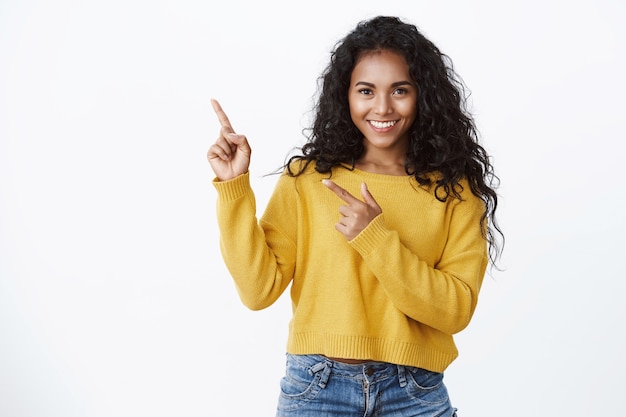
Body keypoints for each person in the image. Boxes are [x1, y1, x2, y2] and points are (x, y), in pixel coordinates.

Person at [207, 15, 502, 417]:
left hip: (414, 393)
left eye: (400, 90)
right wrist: (234, 188)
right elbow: (258, 292)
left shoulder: (455, 191)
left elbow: (454, 311)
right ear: (345, 96)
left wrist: (376, 238)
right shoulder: (309, 181)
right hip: (317, 387)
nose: (382, 107)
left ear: (424, 96)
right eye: (366, 90)